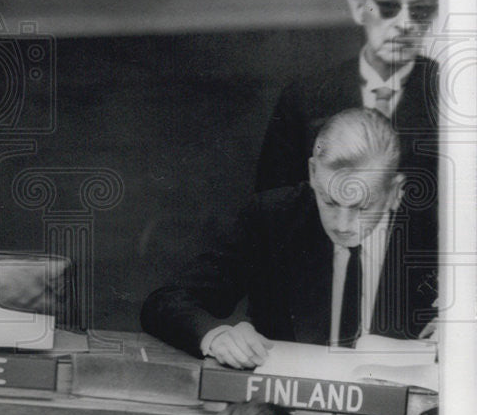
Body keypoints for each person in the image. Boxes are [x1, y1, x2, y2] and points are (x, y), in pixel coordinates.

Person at [141, 108, 437, 369]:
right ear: (312, 172)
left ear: (396, 191)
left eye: (363, 207)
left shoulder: (439, 236)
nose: (343, 226)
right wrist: (217, 336)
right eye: (330, 202)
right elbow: (165, 302)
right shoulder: (273, 218)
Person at [256, 0, 439, 241]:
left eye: (419, 11)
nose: (405, 24)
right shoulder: (305, 98)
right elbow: (273, 207)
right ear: (358, 7)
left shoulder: (453, 99)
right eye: (388, 6)